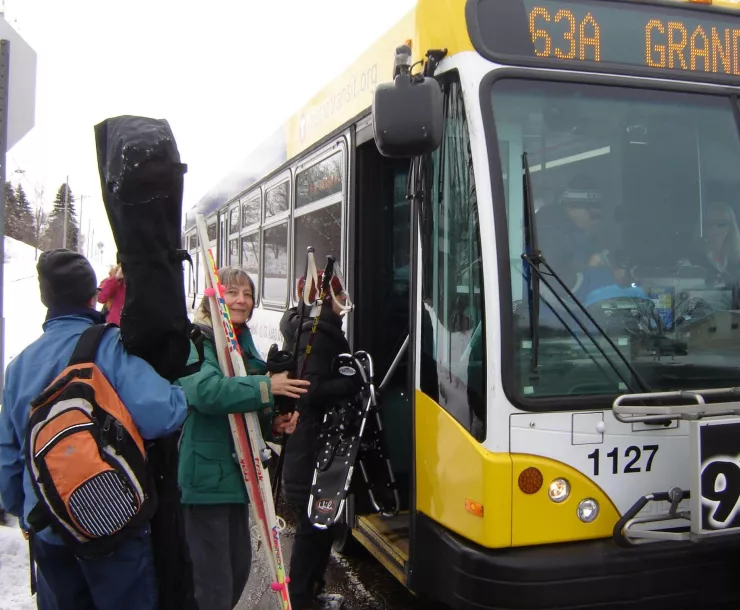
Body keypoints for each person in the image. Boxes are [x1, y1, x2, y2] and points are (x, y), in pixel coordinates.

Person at [0, 248, 188, 610]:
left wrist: (24, 510)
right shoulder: (108, 346)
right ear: (92, 294)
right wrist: (178, 393)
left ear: (45, 298)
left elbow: (9, 456)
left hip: (49, 524)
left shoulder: (19, 366)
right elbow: (163, 414)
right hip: (112, 522)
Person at [176, 265, 308, 610]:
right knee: (213, 587)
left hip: (237, 476)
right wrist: (268, 385)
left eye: (248, 294)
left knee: (237, 572)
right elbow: (206, 393)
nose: (242, 300)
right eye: (233, 292)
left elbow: (244, 411)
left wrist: (274, 424)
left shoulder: (241, 339)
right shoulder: (196, 339)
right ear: (215, 297)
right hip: (205, 479)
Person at [280, 272, 360, 610]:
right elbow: (308, 392)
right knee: (313, 529)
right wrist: (350, 382)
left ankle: (311, 591)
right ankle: (300, 599)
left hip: (312, 442)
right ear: (324, 299)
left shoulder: (313, 329)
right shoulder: (317, 334)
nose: (344, 301)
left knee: (320, 525)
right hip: (312, 444)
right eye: (338, 293)